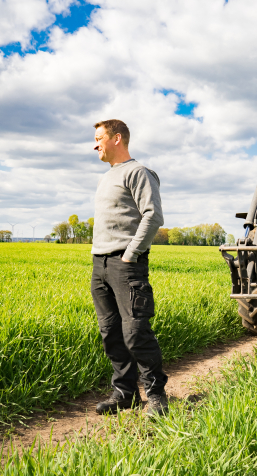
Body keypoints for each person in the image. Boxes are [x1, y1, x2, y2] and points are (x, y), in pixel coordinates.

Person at [90, 119, 168, 416]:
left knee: (136, 331)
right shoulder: (106, 177)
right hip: (101, 264)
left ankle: (156, 395)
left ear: (116, 138)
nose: (95, 144)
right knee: (110, 332)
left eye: (99, 138)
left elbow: (153, 216)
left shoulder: (139, 172)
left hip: (126, 263)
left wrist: (130, 254)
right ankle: (125, 393)